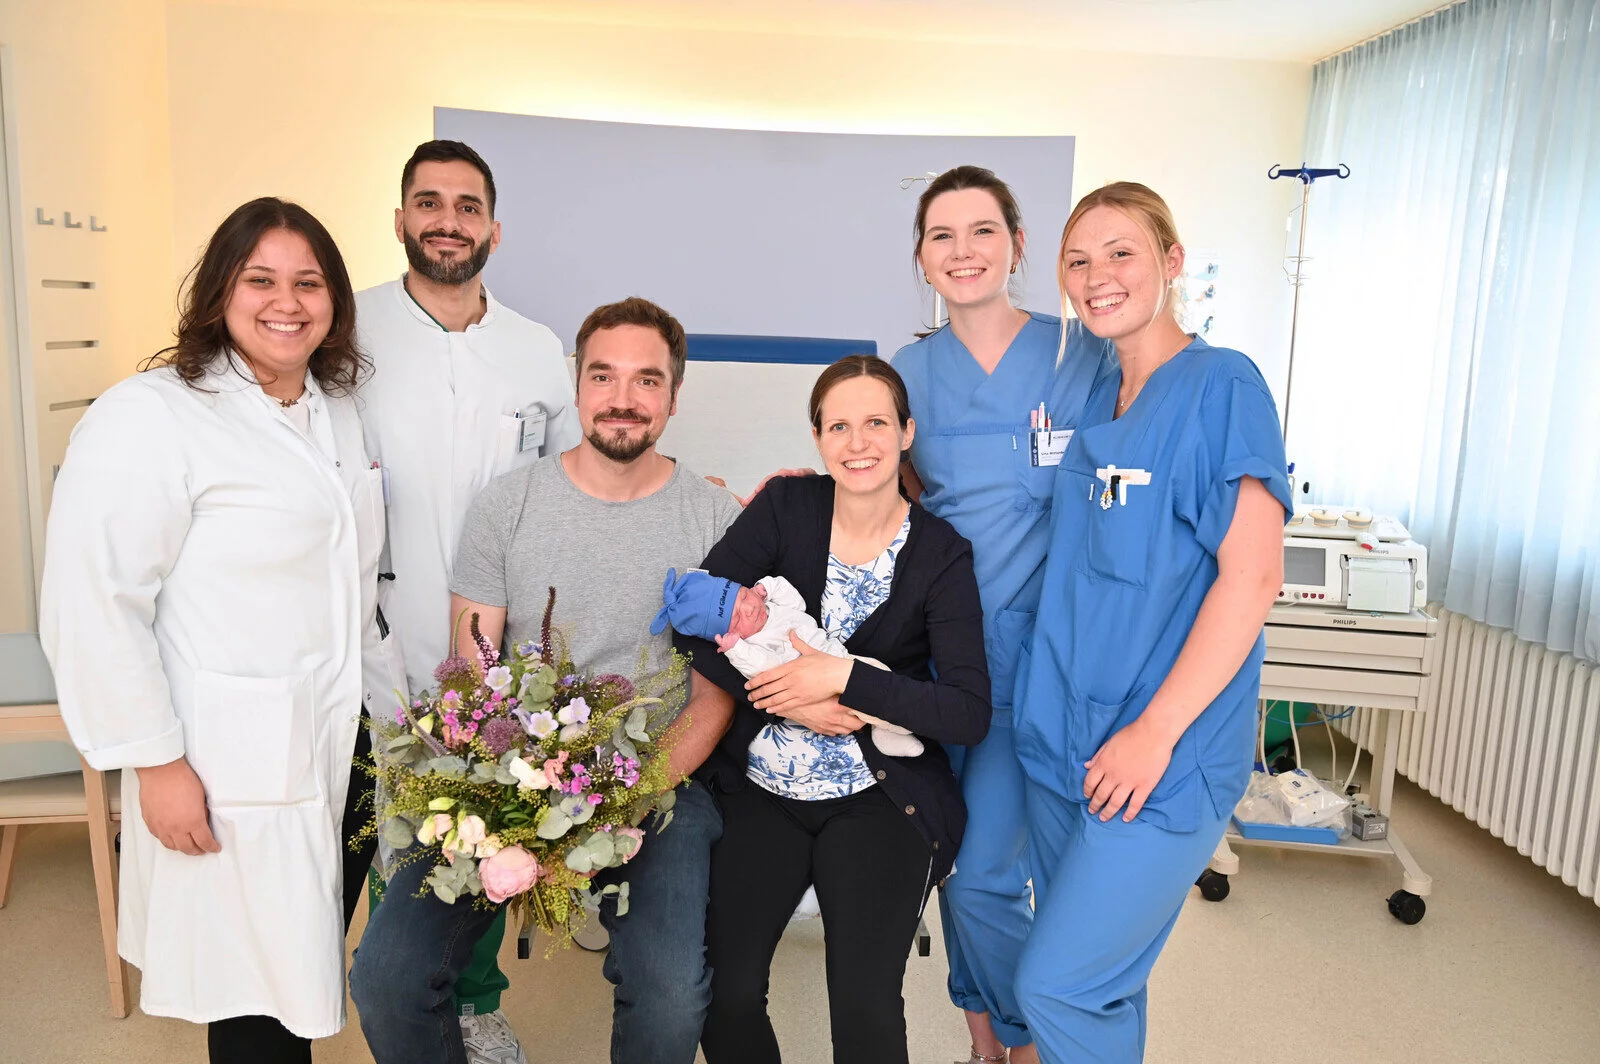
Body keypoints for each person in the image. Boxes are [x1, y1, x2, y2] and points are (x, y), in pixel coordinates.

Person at [39, 198, 399, 1063]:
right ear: (218, 292)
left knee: (302, 964)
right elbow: (93, 603)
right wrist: (155, 762)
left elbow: (353, 583)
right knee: (249, 997)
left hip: (343, 742)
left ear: (335, 299)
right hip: (225, 761)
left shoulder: (336, 408)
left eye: (309, 283)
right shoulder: (151, 414)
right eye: (260, 280)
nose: (288, 302)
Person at [349, 297, 742, 1064]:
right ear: (576, 385)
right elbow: (472, 672)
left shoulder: (715, 518)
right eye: (603, 376)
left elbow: (713, 695)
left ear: (674, 396)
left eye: (647, 380)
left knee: (670, 994)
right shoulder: (507, 507)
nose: (623, 398)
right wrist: (511, 795)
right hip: (509, 774)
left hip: (657, 781)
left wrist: (623, 796)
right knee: (387, 977)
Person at [1011, 182, 1289, 1063]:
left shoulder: (1222, 385)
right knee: (1103, 989)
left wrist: (1155, 733)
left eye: (1121, 252)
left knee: (1054, 985)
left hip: (1159, 757)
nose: (1098, 276)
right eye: (1078, 261)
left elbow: (1254, 577)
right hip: (1062, 739)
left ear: (1171, 261)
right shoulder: (1095, 394)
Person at [681, 355, 992, 1064]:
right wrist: (794, 702)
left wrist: (844, 678)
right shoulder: (784, 509)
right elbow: (694, 623)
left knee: (864, 1008)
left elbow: (967, 711)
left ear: (906, 432)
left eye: (877, 422)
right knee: (725, 997)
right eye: (839, 426)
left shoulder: (942, 554)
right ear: (818, 437)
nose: (858, 443)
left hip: (879, 797)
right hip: (762, 792)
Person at [355, 139, 581, 1063]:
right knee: (401, 822)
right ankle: (407, 1001)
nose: (447, 221)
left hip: (503, 639)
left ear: (494, 227)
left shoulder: (534, 348)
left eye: (467, 205)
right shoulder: (350, 330)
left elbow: (571, 479)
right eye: (429, 202)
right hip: (387, 627)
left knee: (492, 818)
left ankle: (477, 1003)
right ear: (400, 218)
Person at [890, 164, 1106, 1064]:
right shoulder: (907, 372)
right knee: (950, 856)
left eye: (982, 230)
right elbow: (889, 494)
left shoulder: (1083, 354)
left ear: (1018, 244)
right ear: (921, 259)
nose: (963, 250)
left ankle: (1024, 1043)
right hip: (943, 658)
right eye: (941, 235)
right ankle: (984, 1036)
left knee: (990, 873)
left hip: (1044, 662)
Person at [652, 568, 923, 755]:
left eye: (744, 596)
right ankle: (902, 723)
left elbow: (797, 603)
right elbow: (763, 669)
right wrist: (737, 650)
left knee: (878, 672)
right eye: (737, 618)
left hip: (839, 659)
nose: (749, 609)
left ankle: (886, 731)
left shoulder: (773, 608)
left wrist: (768, 588)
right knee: (864, 698)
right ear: (729, 635)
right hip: (815, 687)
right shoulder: (754, 644)